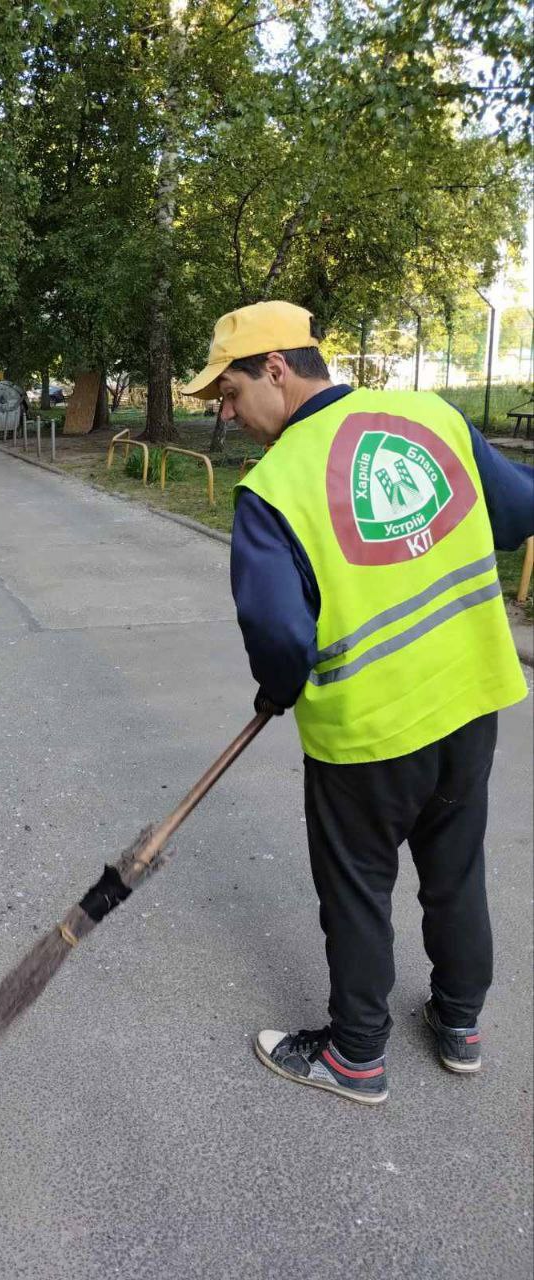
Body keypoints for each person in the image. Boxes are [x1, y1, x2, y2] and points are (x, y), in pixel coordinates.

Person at [182, 300, 533, 1105]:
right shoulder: (430, 417)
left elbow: (278, 636)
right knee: (455, 872)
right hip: (470, 702)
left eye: (230, 392)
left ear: (276, 367)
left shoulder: (273, 488)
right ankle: (460, 1024)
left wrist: (277, 690)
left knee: (357, 891)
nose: (228, 415)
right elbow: (516, 513)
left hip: (368, 737)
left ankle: (358, 1055)